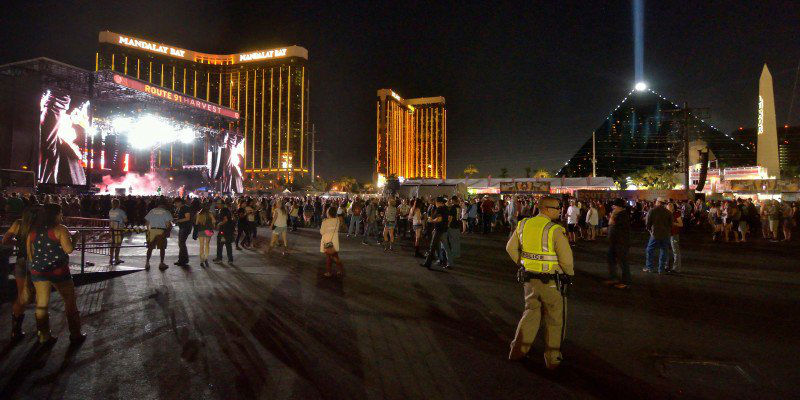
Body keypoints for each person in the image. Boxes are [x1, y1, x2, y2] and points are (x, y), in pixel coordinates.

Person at [506, 196, 574, 369]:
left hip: (529, 280)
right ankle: (552, 358)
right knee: (555, 320)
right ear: (547, 209)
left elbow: (510, 248)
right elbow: (566, 259)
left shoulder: (523, 225)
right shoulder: (554, 230)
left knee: (530, 314)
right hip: (551, 282)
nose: (560, 211)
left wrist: (523, 263)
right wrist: (569, 274)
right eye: (557, 208)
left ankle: (517, 351)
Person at [26, 203, 85, 346]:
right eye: (60, 213)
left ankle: (44, 336)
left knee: (41, 303)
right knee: (69, 300)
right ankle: (75, 334)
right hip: (58, 271)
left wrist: (37, 266)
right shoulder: (60, 229)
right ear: (55, 215)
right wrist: (75, 238)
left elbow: (30, 253)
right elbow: (68, 249)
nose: (62, 216)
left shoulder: (33, 231)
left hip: (39, 270)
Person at [3, 207, 36, 341]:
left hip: (21, 260)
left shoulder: (18, 223)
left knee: (21, 295)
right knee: (40, 294)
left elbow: (5, 240)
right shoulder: (40, 225)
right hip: (36, 262)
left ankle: (15, 330)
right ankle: (43, 328)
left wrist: (18, 242)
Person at [605, 198, 631, 289]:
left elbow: (611, 223)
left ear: (619, 206)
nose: (613, 207)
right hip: (615, 242)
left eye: (614, 205)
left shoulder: (622, 215)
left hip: (621, 243)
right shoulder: (619, 214)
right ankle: (614, 278)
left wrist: (612, 216)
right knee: (611, 259)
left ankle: (626, 282)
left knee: (623, 262)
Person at [420, 197, 450, 271]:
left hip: (439, 229)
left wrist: (432, 220)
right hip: (444, 229)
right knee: (445, 247)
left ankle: (428, 263)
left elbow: (439, 219)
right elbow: (448, 219)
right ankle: (446, 262)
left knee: (432, 246)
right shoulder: (446, 208)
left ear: (438, 202)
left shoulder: (439, 208)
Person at [644, 198, 673, 274]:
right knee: (664, 251)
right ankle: (661, 269)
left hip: (655, 234)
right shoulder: (668, 212)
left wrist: (650, 231)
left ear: (658, 202)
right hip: (665, 234)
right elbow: (671, 224)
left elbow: (647, 223)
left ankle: (650, 267)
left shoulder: (652, 211)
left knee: (650, 250)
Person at [144, 200, 173, 270]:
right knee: (162, 248)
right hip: (161, 231)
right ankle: (161, 263)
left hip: (152, 230)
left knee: (150, 247)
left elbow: (147, 222)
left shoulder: (151, 211)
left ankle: (147, 263)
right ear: (163, 205)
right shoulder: (166, 212)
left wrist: (148, 231)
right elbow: (168, 224)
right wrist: (168, 231)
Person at [320, 207, 343, 277]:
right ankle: (340, 270)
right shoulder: (337, 220)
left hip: (327, 241)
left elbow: (322, 232)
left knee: (328, 257)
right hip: (334, 240)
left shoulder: (325, 222)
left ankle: (329, 272)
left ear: (328, 213)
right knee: (336, 256)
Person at [108, 199, 128, 265]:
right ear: (118, 204)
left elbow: (110, 219)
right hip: (119, 229)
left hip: (112, 229)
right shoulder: (120, 211)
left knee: (112, 244)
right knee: (118, 244)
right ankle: (116, 259)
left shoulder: (110, 211)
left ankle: (111, 259)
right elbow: (125, 220)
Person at [174, 198, 192, 267]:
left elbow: (187, 218)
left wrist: (178, 221)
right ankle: (183, 259)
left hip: (185, 227)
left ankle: (183, 260)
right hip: (183, 227)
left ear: (180, 202)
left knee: (181, 243)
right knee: (181, 243)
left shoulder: (185, 208)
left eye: (176, 203)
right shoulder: (181, 208)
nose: (175, 205)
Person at [665, 202, 682, 273]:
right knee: (665, 251)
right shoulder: (665, 214)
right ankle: (666, 266)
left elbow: (681, 224)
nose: (669, 208)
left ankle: (676, 268)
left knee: (675, 251)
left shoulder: (676, 214)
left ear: (673, 208)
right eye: (668, 207)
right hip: (666, 234)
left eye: (670, 207)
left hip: (674, 234)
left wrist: (673, 223)